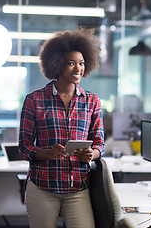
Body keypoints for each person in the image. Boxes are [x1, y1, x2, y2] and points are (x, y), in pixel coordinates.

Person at [18, 27, 104, 228]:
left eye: (81, 63)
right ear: (57, 65)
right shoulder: (35, 100)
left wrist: (93, 154)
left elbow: (100, 143)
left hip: (78, 188)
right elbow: (24, 146)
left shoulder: (91, 101)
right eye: (71, 63)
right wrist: (46, 153)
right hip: (42, 188)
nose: (78, 68)